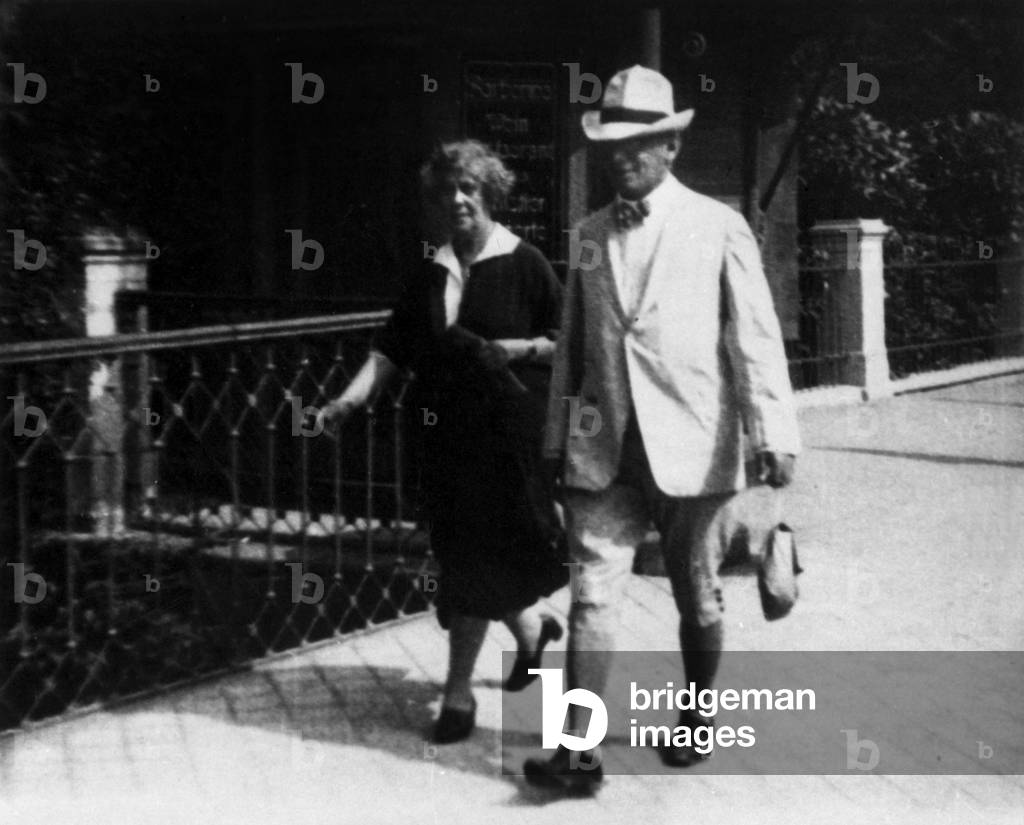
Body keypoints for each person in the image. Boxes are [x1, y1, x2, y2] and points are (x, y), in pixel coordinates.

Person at [523, 66, 801, 792]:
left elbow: (755, 336)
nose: (622, 156)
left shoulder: (719, 225)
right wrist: (555, 440)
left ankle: (698, 714)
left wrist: (773, 432)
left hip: (695, 444)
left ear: (671, 145)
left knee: (696, 595)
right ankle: (579, 753)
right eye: (611, 145)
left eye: (638, 143)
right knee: (592, 598)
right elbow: (572, 349)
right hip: (604, 448)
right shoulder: (587, 235)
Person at [322, 140, 568, 744]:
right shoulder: (431, 272)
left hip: (509, 439)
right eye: (446, 191)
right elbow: (391, 348)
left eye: (468, 189)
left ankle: (458, 696)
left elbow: (567, 342)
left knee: (473, 559)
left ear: (490, 193)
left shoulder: (526, 262)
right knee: (468, 553)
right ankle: (532, 631)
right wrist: (349, 400)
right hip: (446, 439)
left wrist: (518, 349)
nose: (457, 200)